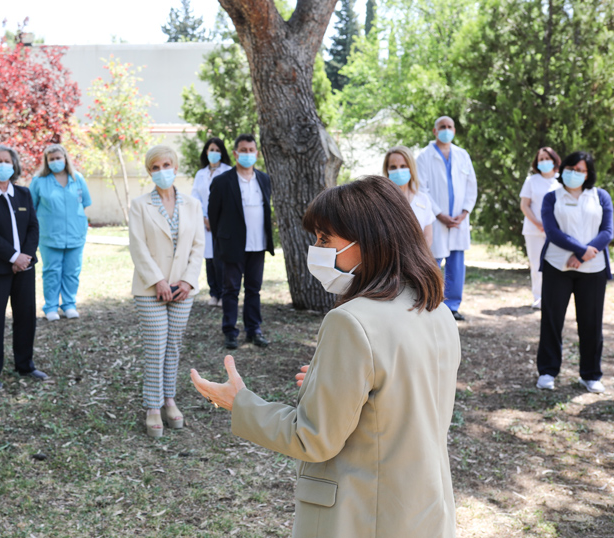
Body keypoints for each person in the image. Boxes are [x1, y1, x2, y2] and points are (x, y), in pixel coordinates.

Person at [191, 176, 460, 538]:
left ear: (367, 240)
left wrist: (239, 403)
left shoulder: (351, 321)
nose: (315, 249)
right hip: (423, 510)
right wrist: (327, 383)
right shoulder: (437, 311)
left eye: (324, 239)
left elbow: (313, 438)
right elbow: (401, 404)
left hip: (363, 514)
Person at [128, 145, 204, 438]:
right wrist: (158, 281)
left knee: (173, 346)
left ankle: (169, 400)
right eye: (156, 167)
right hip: (151, 288)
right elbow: (138, 246)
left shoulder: (193, 205)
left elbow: (198, 246)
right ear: (150, 171)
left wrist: (187, 281)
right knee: (156, 346)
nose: (162, 171)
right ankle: (152, 406)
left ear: (176, 166)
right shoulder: (139, 205)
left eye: (167, 165)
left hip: (183, 288)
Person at [0, 144, 46, 390]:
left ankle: (25, 365)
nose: (4, 165)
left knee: (26, 317)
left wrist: (25, 257)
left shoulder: (23, 194)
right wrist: (13, 257)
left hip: (25, 267)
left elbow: (33, 227)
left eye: (8, 161)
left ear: (14, 165)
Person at [536, 151, 612, 394]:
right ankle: (548, 371)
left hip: (594, 268)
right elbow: (552, 231)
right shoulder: (551, 197)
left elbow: (608, 231)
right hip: (557, 266)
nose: (574, 173)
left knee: (591, 323)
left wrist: (582, 255)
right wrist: (580, 250)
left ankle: (590, 375)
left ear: (588, 174)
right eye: (571, 168)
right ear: (563, 169)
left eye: (580, 170)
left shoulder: (601, 196)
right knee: (552, 320)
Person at [208, 134, 275, 349]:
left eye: (251, 150)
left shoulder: (264, 179)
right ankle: (230, 331)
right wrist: (223, 240)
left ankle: (253, 329)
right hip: (233, 245)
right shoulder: (222, 181)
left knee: (254, 289)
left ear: (256, 153)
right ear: (235, 153)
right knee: (231, 290)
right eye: (243, 150)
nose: (247, 154)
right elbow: (214, 214)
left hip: (258, 245)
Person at [416, 116, 478, 321]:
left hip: (459, 221)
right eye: (442, 127)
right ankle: (431, 302)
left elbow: (471, 186)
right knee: (432, 261)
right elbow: (422, 189)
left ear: (454, 130)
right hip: (436, 219)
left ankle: (452, 306)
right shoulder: (424, 156)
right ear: (435, 131)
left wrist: (464, 213)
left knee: (457, 264)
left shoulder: (462, 155)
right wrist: (439, 214)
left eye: (449, 127)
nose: (446, 130)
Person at [29, 144, 92, 321]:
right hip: (49, 235)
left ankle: (69, 305)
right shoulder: (39, 182)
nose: (56, 161)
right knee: (51, 271)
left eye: (59, 158)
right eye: (52, 159)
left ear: (65, 159)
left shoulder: (77, 178)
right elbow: (30, 208)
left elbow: (85, 202)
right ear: (47, 162)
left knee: (72, 271)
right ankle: (50, 307)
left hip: (75, 233)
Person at [190, 137, 233, 307]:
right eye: (211, 150)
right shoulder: (200, 174)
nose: (213, 153)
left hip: (223, 222)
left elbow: (230, 199)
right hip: (204, 222)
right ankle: (213, 293)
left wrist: (216, 220)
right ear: (206, 152)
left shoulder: (229, 171)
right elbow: (195, 198)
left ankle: (224, 293)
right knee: (209, 258)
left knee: (221, 259)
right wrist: (204, 218)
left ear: (222, 153)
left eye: (217, 150)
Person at [520, 147, 561, 309]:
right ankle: (538, 297)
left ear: (554, 159)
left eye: (547, 158)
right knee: (537, 264)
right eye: (541, 159)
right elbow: (525, 205)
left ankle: (555, 297)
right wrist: (539, 224)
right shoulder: (531, 180)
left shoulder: (561, 180)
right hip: (534, 230)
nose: (544, 161)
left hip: (556, 231)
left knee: (556, 264)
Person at [383, 145, 434, 247]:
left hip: (417, 260)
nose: (398, 171)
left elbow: (428, 237)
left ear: (411, 168)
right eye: (393, 167)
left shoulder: (423, 199)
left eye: (403, 166)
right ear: (387, 170)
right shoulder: (381, 200)